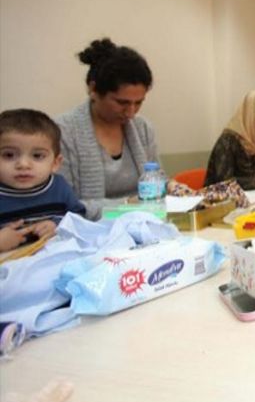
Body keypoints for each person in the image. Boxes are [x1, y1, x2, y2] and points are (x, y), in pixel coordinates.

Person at [56, 38, 160, 220]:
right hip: (90, 232)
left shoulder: (142, 128)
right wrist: (129, 204)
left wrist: (171, 188)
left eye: (139, 103)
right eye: (122, 102)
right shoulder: (63, 132)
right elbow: (68, 206)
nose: (131, 112)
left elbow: (156, 184)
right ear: (93, 89)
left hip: (142, 225)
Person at [0, 109, 85, 251]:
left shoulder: (59, 187)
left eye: (37, 156)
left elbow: (79, 218)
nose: (23, 164)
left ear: (55, 163)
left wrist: (57, 225)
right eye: (9, 155)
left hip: (51, 260)